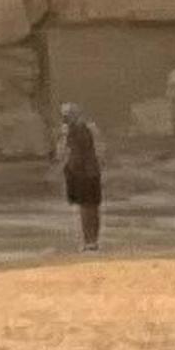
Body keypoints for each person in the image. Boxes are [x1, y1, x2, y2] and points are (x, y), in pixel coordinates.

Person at [57, 102, 105, 250]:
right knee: (85, 207)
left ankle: (91, 241)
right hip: (77, 173)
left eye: (68, 115)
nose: (66, 118)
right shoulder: (67, 132)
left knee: (89, 207)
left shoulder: (89, 128)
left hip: (87, 172)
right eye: (64, 115)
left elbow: (99, 149)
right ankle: (88, 241)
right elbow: (61, 153)